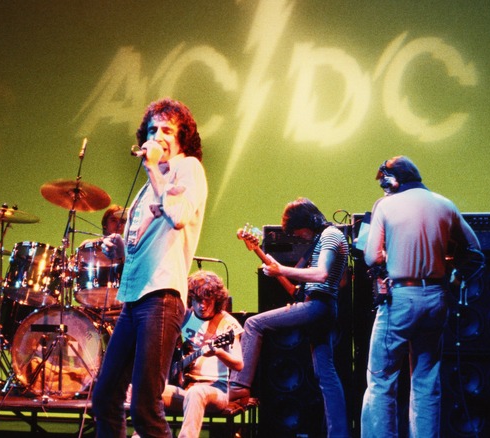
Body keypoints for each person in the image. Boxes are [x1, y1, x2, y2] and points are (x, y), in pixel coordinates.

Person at [93, 98, 208, 437]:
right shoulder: (148, 186)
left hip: (162, 296)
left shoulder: (188, 168)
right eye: (153, 130)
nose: (157, 136)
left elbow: (179, 217)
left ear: (182, 138)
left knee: (145, 407)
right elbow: (145, 240)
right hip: (136, 298)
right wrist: (120, 249)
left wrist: (155, 174)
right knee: (105, 397)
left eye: (167, 131)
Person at [360, 156, 483, 437]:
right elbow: (475, 252)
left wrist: (390, 256)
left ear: (392, 181)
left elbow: (371, 256)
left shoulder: (386, 205)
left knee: (381, 382)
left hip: (402, 297)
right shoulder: (444, 204)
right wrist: (456, 277)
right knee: (426, 382)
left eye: (384, 184)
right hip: (436, 298)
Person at [229, 197, 350, 437]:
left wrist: (281, 269)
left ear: (310, 222)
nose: (297, 236)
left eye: (298, 230)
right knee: (325, 375)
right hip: (320, 305)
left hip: (319, 306)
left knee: (254, 324)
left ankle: (239, 386)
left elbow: (322, 274)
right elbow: (294, 290)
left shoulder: (329, 236)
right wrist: (258, 252)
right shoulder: (319, 240)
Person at [162, 270, 243, 438]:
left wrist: (219, 352)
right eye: (198, 300)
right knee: (149, 390)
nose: (202, 305)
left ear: (217, 300)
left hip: (216, 391)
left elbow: (239, 364)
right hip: (185, 388)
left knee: (196, 393)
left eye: (208, 300)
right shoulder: (184, 317)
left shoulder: (227, 323)